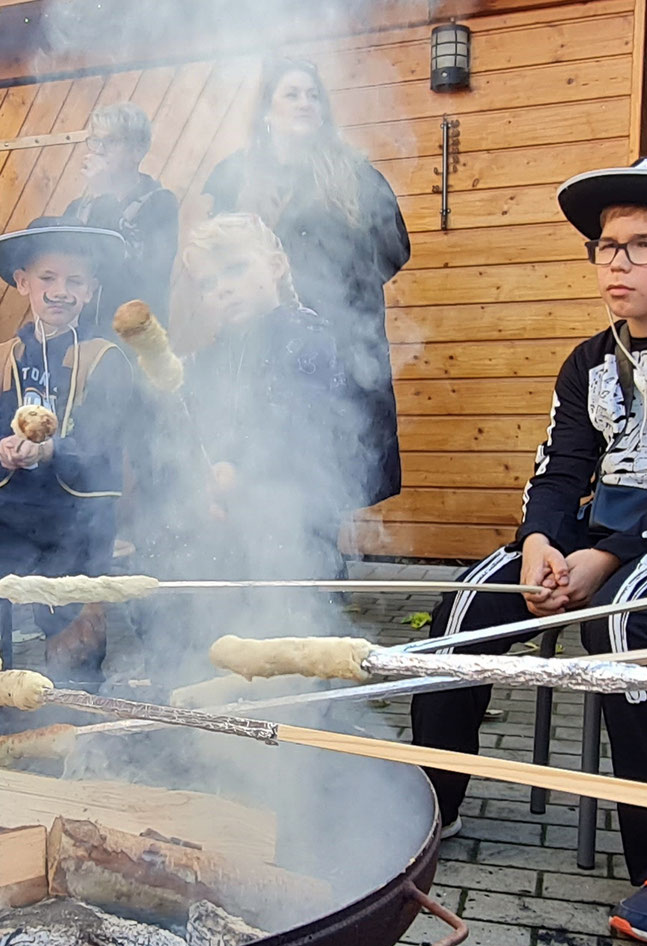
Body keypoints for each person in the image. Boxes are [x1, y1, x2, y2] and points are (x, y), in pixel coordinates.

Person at [409, 156, 647, 946]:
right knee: (463, 608)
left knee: (620, 630)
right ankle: (429, 808)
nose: (617, 261)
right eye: (608, 245)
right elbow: (558, 469)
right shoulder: (588, 358)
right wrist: (543, 542)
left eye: (644, 244)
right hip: (597, 536)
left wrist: (606, 559)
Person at [203, 57, 409, 509]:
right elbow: (212, 256)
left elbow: (394, 251)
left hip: (338, 344)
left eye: (313, 95)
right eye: (291, 94)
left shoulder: (354, 176)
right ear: (266, 110)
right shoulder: (235, 177)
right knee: (255, 470)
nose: (305, 103)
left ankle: (318, 571)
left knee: (325, 476)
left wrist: (335, 292)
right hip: (256, 346)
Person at [0, 219, 133, 677]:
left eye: (75, 281)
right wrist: (2, 451)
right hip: (18, 513)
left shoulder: (104, 357)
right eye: (47, 278)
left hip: (82, 516)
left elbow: (103, 440)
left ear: (90, 290)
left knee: (69, 615)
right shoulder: (5, 357)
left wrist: (51, 452)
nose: (60, 291)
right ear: (24, 283)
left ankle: (75, 711)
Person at [171, 213, 358, 581]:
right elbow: (202, 426)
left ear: (275, 266)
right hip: (234, 528)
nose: (223, 288)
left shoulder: (306, 335)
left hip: (298, 523)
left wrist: (241, 470)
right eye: (209, 283)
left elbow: (300, 426)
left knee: (298, 627)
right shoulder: (216, 352)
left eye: (235, 269)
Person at [60, 102, 179, 332]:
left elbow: (144, 276)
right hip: (83, 339)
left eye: (112, 141)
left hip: (137, 340)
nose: (99, 150)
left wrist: (104, 197)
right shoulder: (77, 209)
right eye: (95, 141)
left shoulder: (160, 203)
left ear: (138, 150)